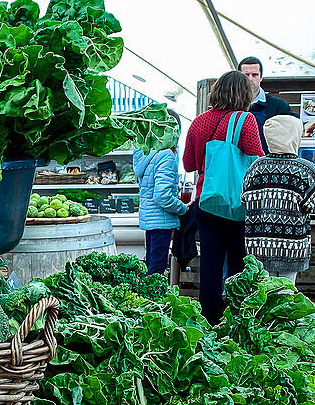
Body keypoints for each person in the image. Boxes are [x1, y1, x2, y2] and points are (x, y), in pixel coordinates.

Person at [183, 70, 264, 324]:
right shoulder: (245, 121)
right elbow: (257, 161)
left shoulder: (198, 122)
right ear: (243, 94)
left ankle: (209, 320)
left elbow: (188, 164)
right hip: (237, 203)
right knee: (239, 262)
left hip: (206, 201)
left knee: (210, 263)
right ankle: (237, 319)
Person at [242, 115, 315, 284]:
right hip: (292, 248)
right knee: (286, 295)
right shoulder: (307, 170)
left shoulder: (256, 167)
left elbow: (245, 199)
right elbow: (310, 204)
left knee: (263, 295)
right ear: (294, 136)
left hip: (258, 246)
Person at [133, 116, 187, 274]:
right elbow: (162, 196)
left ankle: (142, 297)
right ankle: (149, 299)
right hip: (161, 220)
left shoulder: (145, 152)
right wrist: (182, 208)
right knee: (156, 269)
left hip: (149, 219)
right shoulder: (166, 155)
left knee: (150, 263)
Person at [238, 56, 294, 150]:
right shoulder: (230, 105)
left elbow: (293, 129)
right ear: (238, 78)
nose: (250, 79)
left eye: (255, 75)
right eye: (246, 75)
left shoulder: (278, 106)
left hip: (268, 162)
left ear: (261, 77)